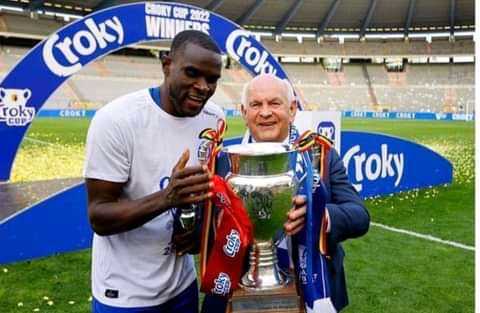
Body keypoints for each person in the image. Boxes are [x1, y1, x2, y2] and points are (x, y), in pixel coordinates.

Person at [201, 73, 369, 312]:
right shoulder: (223, 161)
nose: (265, 112)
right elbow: (199, 232)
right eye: (256, 104)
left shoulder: (320, 156)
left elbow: (359, 216)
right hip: (238, 294)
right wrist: (218, 223)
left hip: (310, 294)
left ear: (292, 109)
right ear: (243, 112)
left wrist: (317, 216)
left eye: (274, 103)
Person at [83, 30, 224, 313]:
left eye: (212, 79)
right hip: (125, 294)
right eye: (192, 73)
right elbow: (99, 216)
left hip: (182, 285)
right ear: (167, 64)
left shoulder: (214, 120)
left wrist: (198, 231)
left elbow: (209, 195)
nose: (203, 87)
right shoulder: (116, 121)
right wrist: (167, 198)